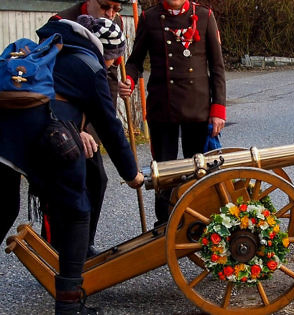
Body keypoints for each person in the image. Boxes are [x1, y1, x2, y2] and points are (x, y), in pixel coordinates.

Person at [37, 16, 140, 314]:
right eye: (114, 57)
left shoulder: (59, 48)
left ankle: (69, 263)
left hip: (21, 137)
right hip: (45, 138)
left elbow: (57, 95)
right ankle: (68, 304)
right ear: (106, 53)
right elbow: (111, 127)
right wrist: (133, 174)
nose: (113, 64)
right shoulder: (91, 67)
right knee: (78, 210)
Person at [120, 0, 226, 227]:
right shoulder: (149, 18)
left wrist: (218, 108)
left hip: (197, 108)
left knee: (198, 165)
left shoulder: (205, 16)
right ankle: (165, 221)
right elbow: (134, 62)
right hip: (162, 108)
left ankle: (197, 218)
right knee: (164, 169)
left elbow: (217, 66)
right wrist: (128, 79)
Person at [48, 0, 129, 256]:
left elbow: (110, 76)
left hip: (91, 115)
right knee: (66, 183)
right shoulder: (60, 23)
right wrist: (73, 128)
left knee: (97, 180)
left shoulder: (114, 23)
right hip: (59, 120)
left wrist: (104, 119)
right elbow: (50, 85)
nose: (111, 14)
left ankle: (83, 244)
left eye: (117, 9)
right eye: (106, 6)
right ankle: (56, 246)